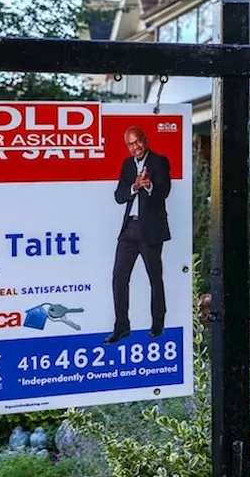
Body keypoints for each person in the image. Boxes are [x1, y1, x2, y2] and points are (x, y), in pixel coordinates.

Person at [107, 126, 172, 344]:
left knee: (155, 278)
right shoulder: (127, 165)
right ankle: (122, 326)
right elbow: (118, 196)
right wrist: (134, 187)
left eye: (138, 142)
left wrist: (150, 185)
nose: (136, 148)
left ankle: (158, 324)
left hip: (150, 230)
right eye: (131, 145)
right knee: (119, 278)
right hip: (129, 229)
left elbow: (164, 192)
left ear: (145, 140)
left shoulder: (160, 161)